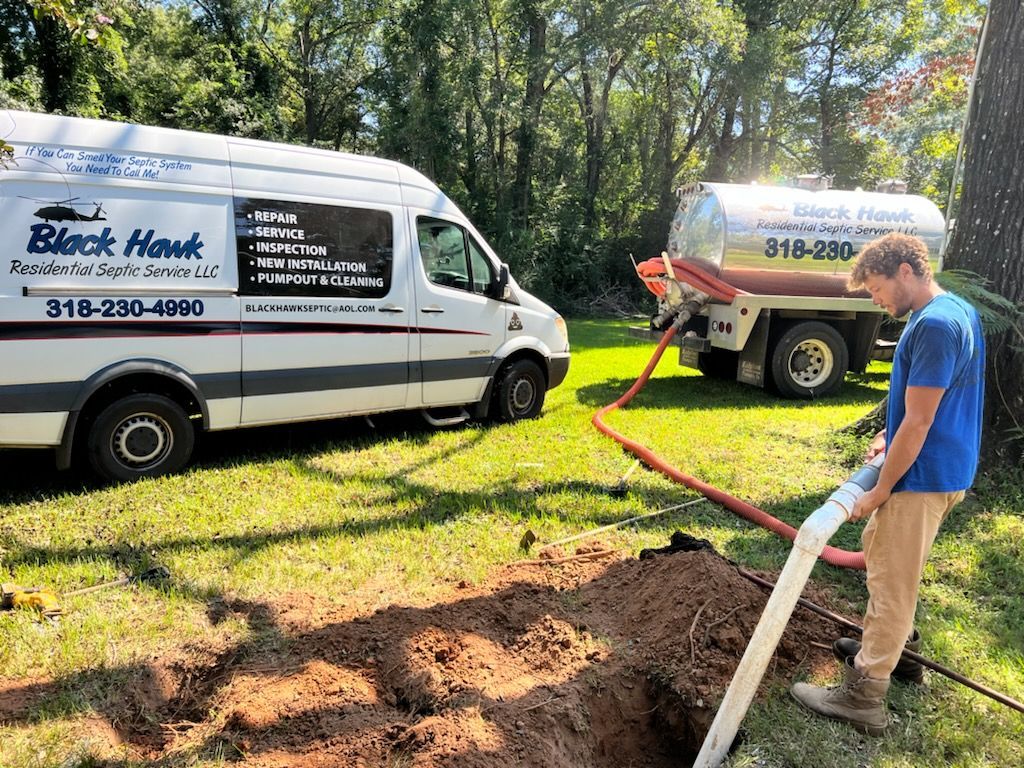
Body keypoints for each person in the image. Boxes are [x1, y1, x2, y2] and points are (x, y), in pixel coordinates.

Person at [790, 232, 985, 735]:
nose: (874, 300)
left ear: (905, 270)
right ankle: (899, 651)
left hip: (923, 474)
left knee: (892, 583)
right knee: (882, 554)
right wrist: (887, 430)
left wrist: (879, 490)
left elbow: (920, 423)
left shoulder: (937, 325)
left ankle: (865, 693)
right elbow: (926, 405)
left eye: (876, 288)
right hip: (936, 464)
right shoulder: (951, 311)